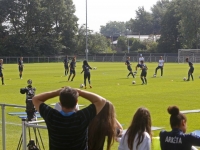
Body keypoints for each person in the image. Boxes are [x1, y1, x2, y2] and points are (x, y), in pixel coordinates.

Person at [32, 86, 106, 150]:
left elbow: (35, 99)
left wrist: (58, 92)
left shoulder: (52, 116)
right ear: (76, 101)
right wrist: (79, 92)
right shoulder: (82, 117)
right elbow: (101, 101)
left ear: (60, 102)